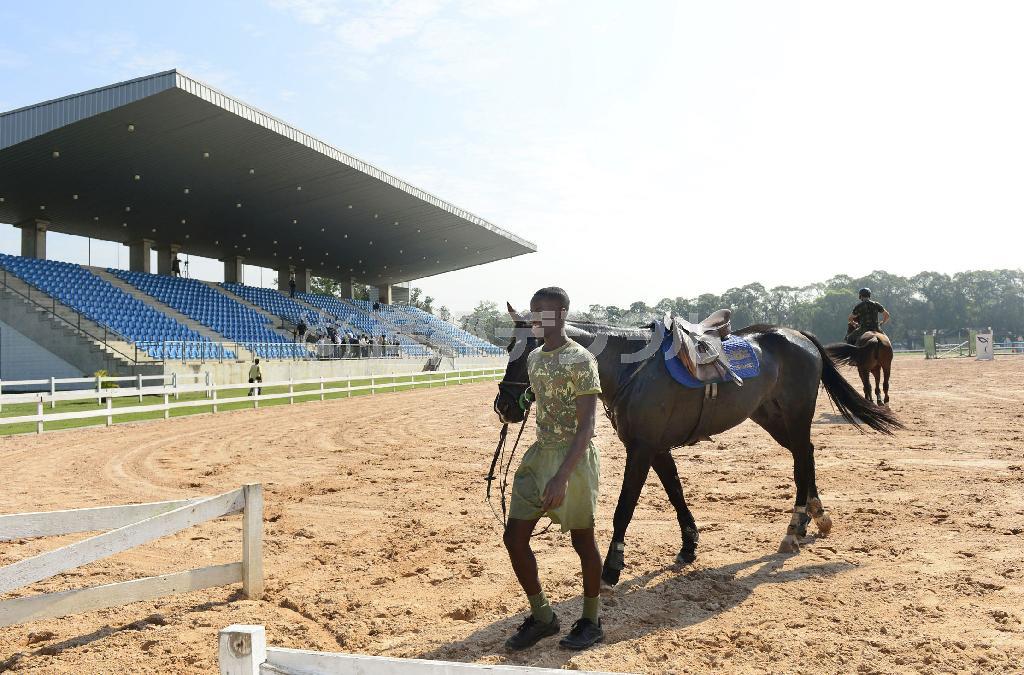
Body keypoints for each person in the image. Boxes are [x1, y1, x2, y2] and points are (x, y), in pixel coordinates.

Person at [503, 286, 604, 652]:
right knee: (514, 539)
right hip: (539, 456)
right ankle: (543, 616)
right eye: (533, 312)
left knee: (583, 542)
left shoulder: (581, 359)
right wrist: (520, 401)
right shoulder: (533, 358)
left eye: (543, 312)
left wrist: (562, 476)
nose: (536, 318)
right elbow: (540, 394)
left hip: (573, 461)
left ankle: (591, 621)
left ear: (561, 314)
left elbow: (587, 426)